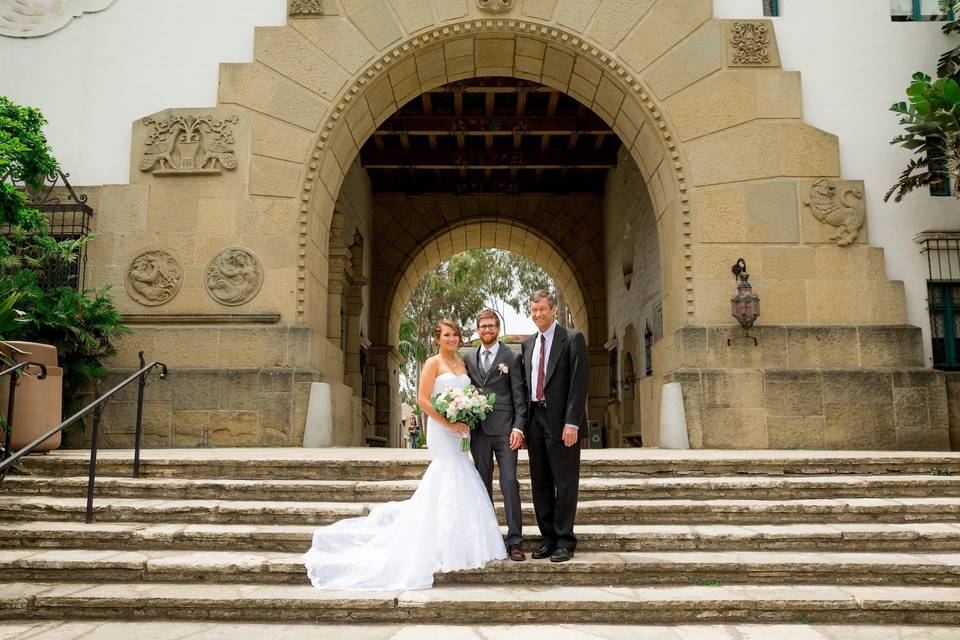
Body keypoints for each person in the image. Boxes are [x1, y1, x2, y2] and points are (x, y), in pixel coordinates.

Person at [303, 319, 506, 590]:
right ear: (438, 339)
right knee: (446, 474)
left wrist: (467, 416)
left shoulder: (463, 363)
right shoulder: (433, 363)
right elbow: (423, 400)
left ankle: (462, 542)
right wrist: (449, 423)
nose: (452, 339)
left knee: (462, 474)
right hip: (442, 429)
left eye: (456, 335)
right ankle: (440, 543)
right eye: (447, 335)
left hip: (461, 430)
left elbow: (467, 393)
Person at [521, 289, 588, 563]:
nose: (538, 314)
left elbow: (579, 383)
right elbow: (526, 386)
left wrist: (572, 422)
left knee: (565, 480)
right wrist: (522, 426)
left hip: (562, 422)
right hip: (534, 420)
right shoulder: (528, 344)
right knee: (541, 482)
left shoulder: (572, 339)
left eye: (542, 309)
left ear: (553, 310)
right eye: (533, 310)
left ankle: (564, 540)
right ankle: (547, 537)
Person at [463, 309, 528, 561]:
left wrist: (518, 427)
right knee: (482, 486)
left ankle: (515, 541)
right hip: (478, 431)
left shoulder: (511, 357)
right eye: (482, 326)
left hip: (505, 431)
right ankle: (488, 540)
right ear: (477, 330)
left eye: (491, 326)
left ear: (498, 329)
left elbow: (519, 397)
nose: (487, 330)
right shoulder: (468, 359)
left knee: (509, 482)